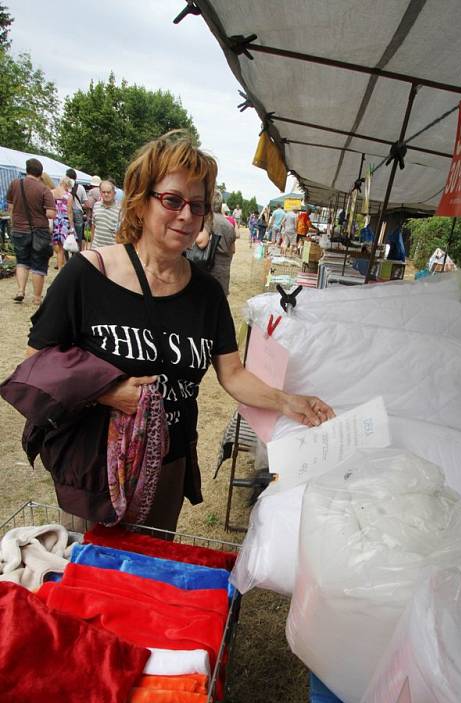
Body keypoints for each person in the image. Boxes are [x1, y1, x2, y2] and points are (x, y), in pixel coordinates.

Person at [25, 131, 334, 530]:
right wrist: (107, 392)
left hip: (167, 464)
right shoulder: (87, 274)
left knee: (150, 574)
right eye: (172, 200)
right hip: (95, 462)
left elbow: (233, 373)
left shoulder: (206, 293)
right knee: (91, 578)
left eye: (198, 205)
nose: (187, 216)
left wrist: (287, 401)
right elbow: (38, 362)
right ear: (140, 199)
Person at [6, 157, 56, 305]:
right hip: (39, 230)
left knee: (21, 261)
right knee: (38, 263)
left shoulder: (15, 184)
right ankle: (36, 297)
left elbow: (10, 207)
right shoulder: (44, 189)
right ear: (40, 173)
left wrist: (15, 220)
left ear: (26, 170)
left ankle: (21, 290)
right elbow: (51, 214)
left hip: (19, 228)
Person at [195, 190, 236, 295]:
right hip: (225, 271)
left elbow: (201, 242)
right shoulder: (230, 225)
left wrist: (191, 235)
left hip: (212, 269)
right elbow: (233, 250)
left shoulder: (210, 219)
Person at [51, 176, 75, 270]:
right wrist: (71, 225)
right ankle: (61, 268)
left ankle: (60, 265)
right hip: (64, 221)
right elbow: (69, 212)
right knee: (62, 247)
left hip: (54, 220)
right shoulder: (68, 196)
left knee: (56, 245)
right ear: (66, 184)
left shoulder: (51, 192)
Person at [91, 180, 120, 249]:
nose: (106, 194)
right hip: (96, 248)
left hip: (112, 250)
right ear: (100, 193)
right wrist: (91, 245)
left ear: (114, 193)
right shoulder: (96, 205)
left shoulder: (120, 209)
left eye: (109, 192)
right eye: (103, 192)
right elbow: (93, 227)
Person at [66, 168, 87, 251]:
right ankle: (79, 253)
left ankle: (68, 253)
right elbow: (85, 202)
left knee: (68, 234)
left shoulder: (66, 187)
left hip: (67, 212)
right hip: (78, 212)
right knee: (79, 236)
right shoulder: (80, 187)